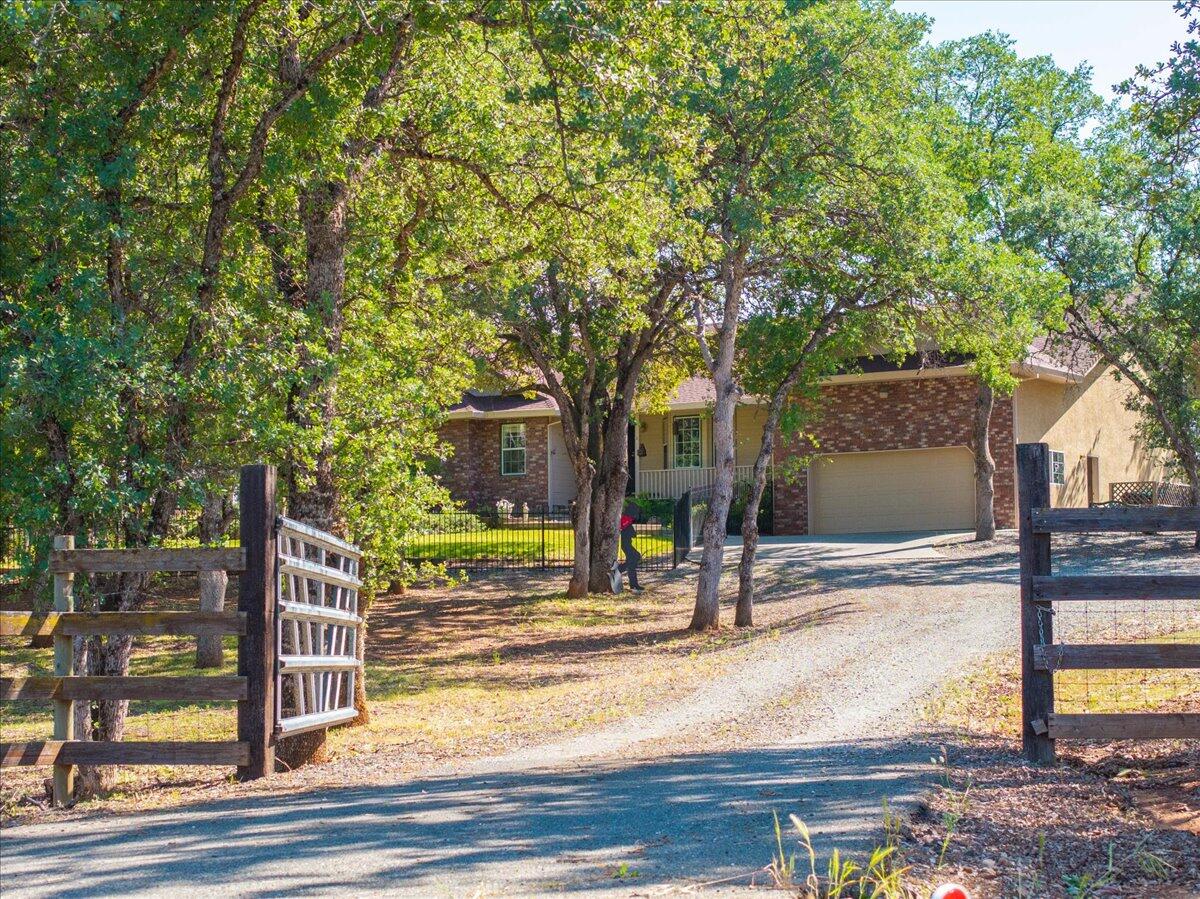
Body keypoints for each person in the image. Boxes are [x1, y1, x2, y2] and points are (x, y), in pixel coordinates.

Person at [618, 502, 643, 591]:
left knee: (632, 563)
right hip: (626, 545)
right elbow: (626, 530)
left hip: (627, 544)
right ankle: (618, 570)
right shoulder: (626, 519)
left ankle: (634, 584)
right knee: (636, 557)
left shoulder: (628, 519)